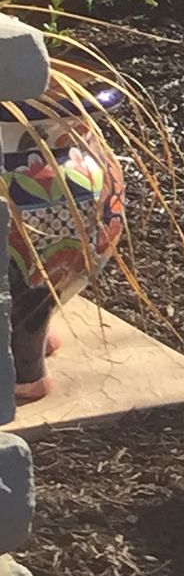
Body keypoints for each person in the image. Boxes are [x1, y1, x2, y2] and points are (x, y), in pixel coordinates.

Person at [3, 87, 127, 403]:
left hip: (72, 153)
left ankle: (23, 363)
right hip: (80, 158)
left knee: (32, 278)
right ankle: (30, 333)